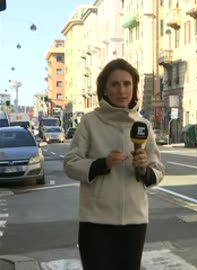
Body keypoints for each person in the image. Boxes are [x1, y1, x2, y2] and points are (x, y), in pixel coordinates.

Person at [63, 58, 164, 270]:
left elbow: (158, 170)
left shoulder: (143, 125)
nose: (122, 90)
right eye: (115, 84)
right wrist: (102, 164)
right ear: (105, 90)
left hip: (134, 221)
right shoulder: (90, 122)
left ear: (134, 87)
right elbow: (71, 163)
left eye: (127, 84)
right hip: (96, 221)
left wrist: (145, 169)